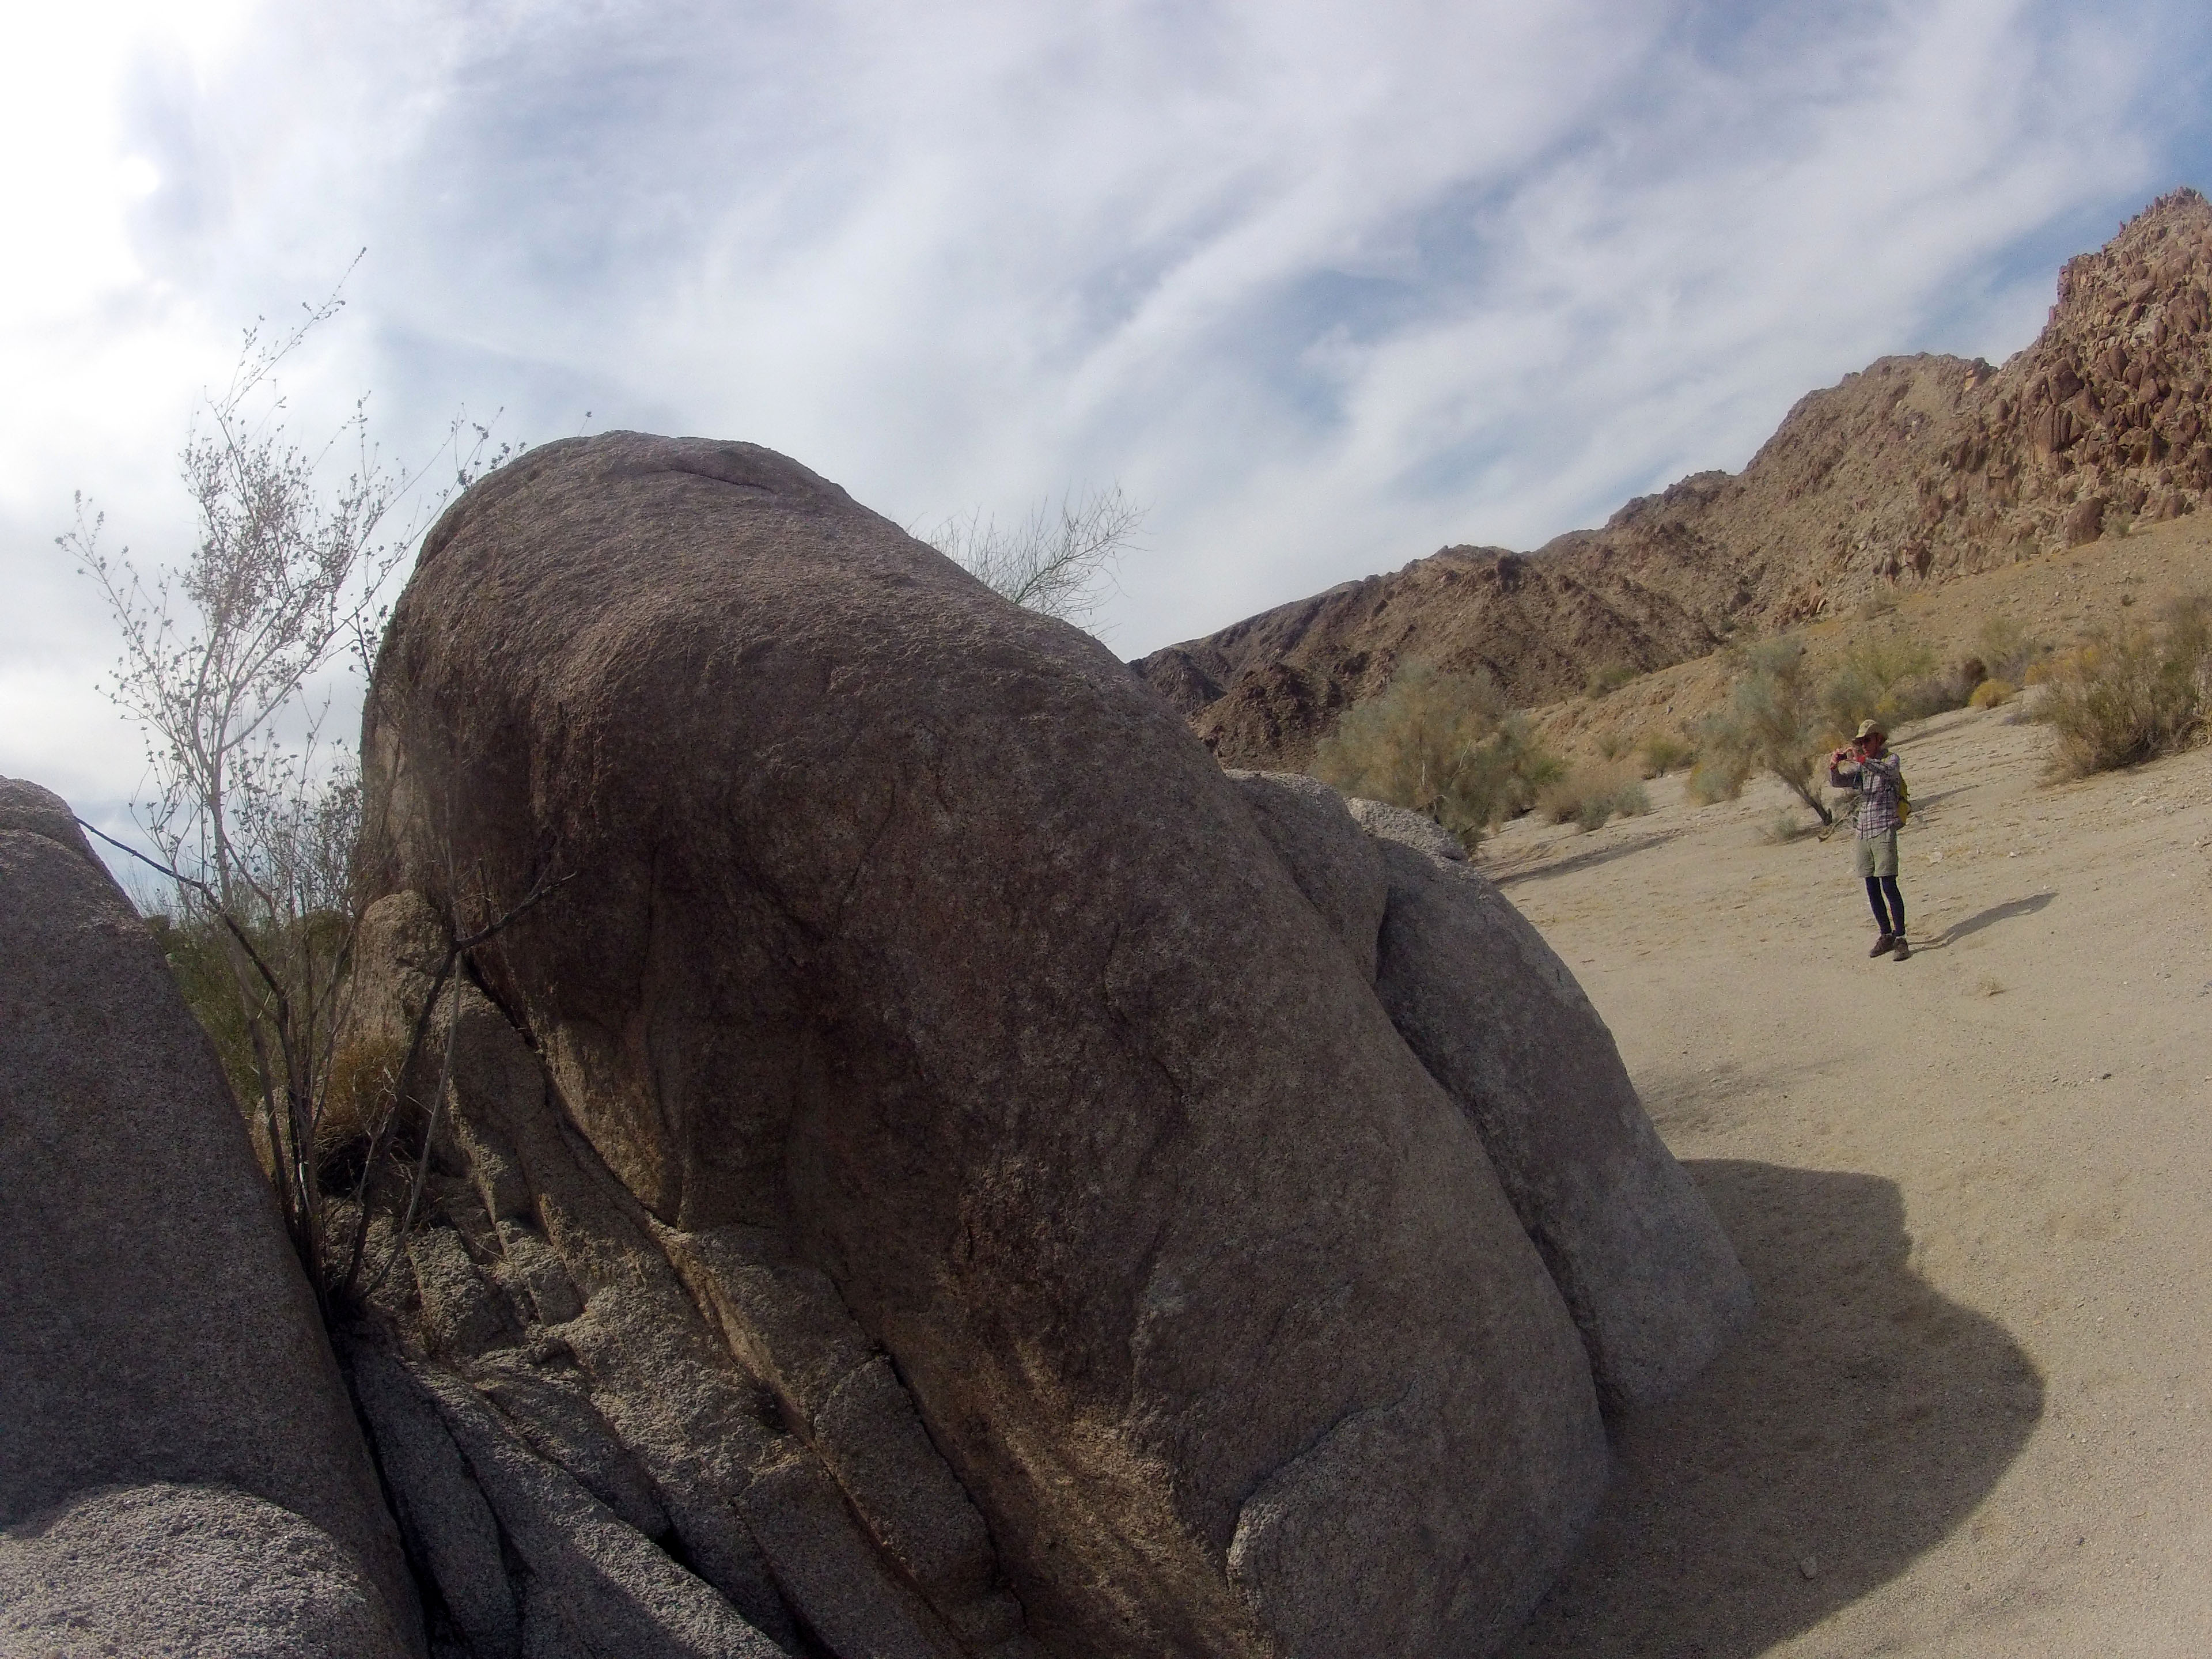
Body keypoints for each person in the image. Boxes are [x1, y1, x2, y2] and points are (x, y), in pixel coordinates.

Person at [1828, 719, 1909, 960]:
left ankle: (1901, 937)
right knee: (1871, 886)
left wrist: (1862, 760)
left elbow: (1889, 773)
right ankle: (1886, 934)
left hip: (1884, 828)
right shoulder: (1864, 769)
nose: (1863, 745)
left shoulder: (1890, 759)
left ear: (1878, 740)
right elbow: (1839, 782)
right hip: (1863, 830)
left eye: (1867, 741)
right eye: (1860, 742)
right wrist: (1834, 767)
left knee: (1888, 884)